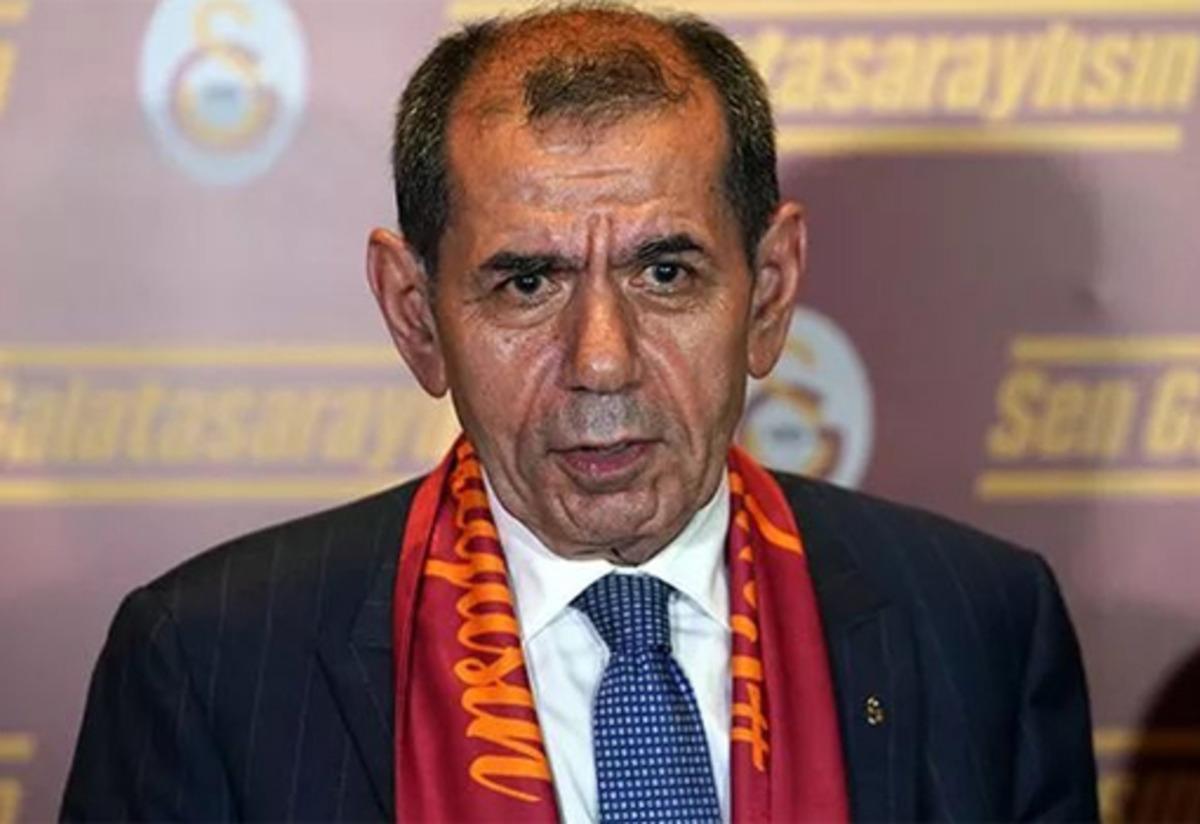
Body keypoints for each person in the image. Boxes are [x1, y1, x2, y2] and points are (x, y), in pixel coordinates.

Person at [61, 3, 1099, 822]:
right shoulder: (208, 665)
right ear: (417, 316)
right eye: (527, 282)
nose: (601, 360)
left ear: (770, 294)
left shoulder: (980, 624)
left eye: (665, 272)